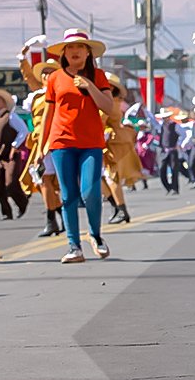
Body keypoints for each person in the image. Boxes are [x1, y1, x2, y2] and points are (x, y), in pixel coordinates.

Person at [37, 28, 114, 263]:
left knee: (90, 191)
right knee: (68, 195)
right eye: (70, 47)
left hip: (91, 142)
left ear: (88, 52)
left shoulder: (98, 76)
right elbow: (49, 112)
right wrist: (42, 145)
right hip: (61, 142)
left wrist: (89, 86)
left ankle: (95, 235)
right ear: (64, 52)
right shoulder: (55, 78)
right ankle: (74, 246)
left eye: (80, 47)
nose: (74, 51)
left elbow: (108, 107)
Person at [19, 56, 64, 237]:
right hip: (40, 141)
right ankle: (52, 219)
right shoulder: (38, 94)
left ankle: (61, 217)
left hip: (56, 140)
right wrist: (23, 59)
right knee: (44, 180)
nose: (46, 76)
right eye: (44, 73)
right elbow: (29, 77)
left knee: (58, 182)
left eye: (50, 73)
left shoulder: (60, 93)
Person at [0, 87, 30, 221]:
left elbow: (23, 131)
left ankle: (22, 203)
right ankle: (6, 212)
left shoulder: (11, 116)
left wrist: (14, 145)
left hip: (10, 155)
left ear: (4, 102)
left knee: (11, 183)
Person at [102, 72, 142, 224]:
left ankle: (120, 208)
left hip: (111, 141)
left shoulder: (109, 102)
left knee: (111, 176)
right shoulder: (112, 100)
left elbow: (102, 119)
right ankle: (117, 207)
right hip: (110, 140)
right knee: (103, 178)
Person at [156, 109, 182, 195]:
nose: (164, 119)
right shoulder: (160, 126)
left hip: (173, 150)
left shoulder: (175, 125)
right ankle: (168, 187)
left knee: (174, 170)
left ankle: (175, 188)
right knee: (161, 170)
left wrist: (178, 143)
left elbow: (183, 134)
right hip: (163, 151)